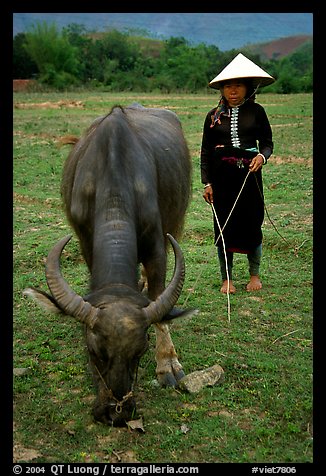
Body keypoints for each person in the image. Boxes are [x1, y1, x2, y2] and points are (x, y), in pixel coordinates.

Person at [200, 53, 275, 294]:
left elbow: (267, 143)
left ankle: (254, 275)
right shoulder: (212, 117)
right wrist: (207, 183)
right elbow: (205, 151)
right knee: (223, 226)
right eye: (228, 86)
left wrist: (261, 157)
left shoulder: (257, 112)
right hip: (221, 180)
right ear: (221, 89)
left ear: (247, 88)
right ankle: (227, 279)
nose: (233, 90)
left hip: (249, 177)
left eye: (238, 85)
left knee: (252, 223)